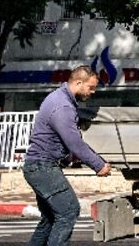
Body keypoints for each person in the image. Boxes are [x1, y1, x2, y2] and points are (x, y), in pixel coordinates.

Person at [23, 66, 110, 246]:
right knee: (69, 211)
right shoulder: (63, 106)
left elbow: (63, 141)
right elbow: (74, 143)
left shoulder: (59, 98)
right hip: (43, 167)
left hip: (39, 166)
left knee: (50, 218)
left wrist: (71, 157)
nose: (92, 92)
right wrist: (98, 165)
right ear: (78, 83)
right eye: (90, 87)